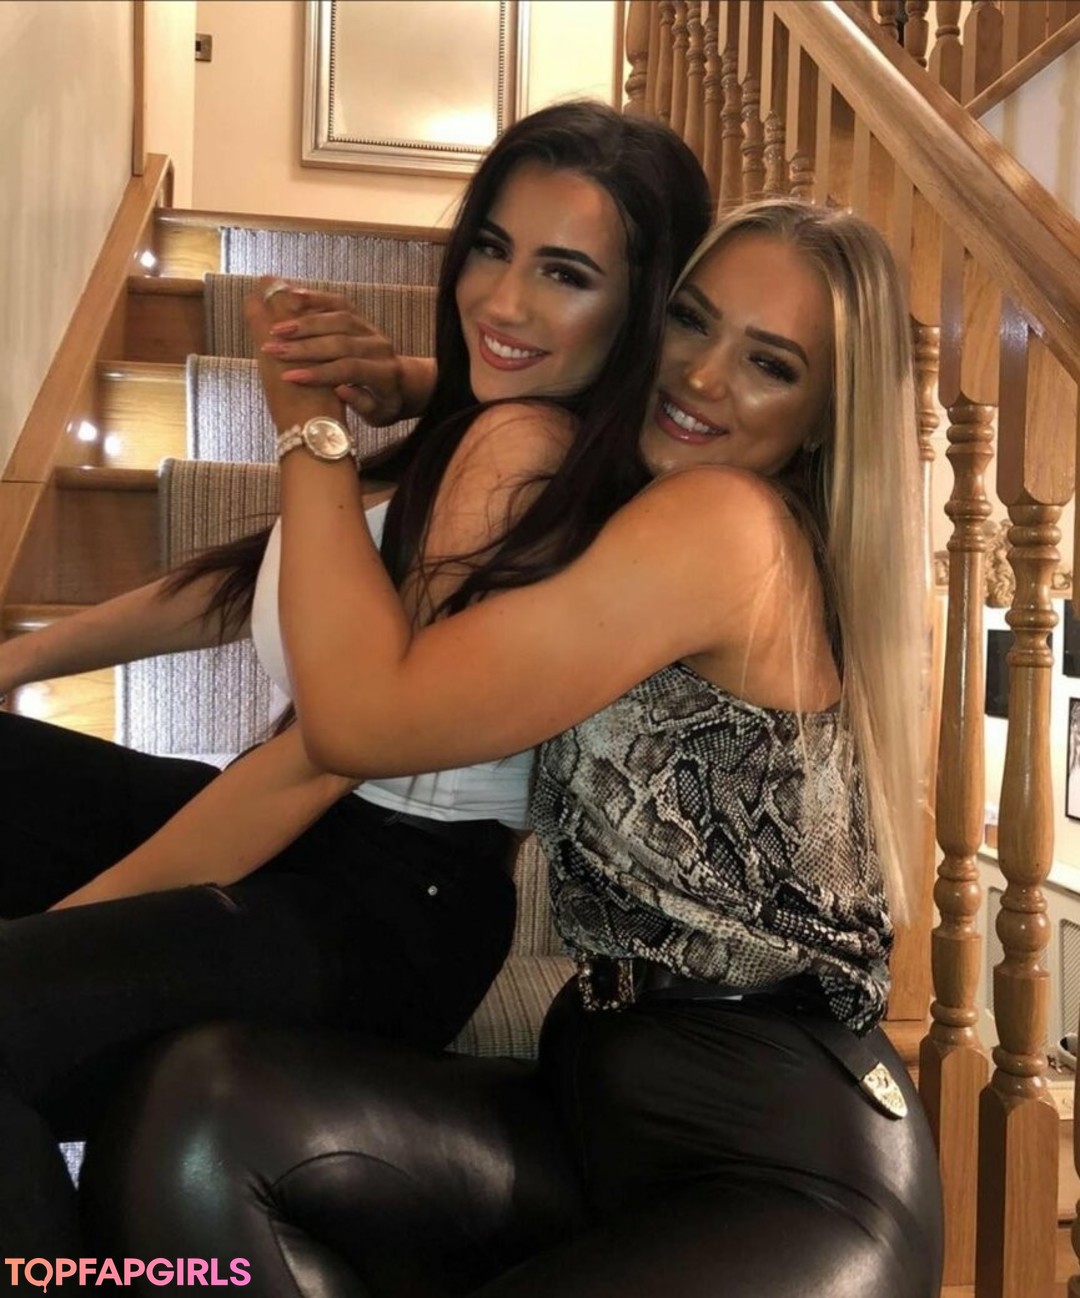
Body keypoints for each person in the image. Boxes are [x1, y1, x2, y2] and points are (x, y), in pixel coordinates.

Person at [82, 199, 944, 1297]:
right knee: (204, 1111)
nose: (701, 376)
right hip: (601, 1098)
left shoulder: (727, 526)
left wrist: (312, 430)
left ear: (825, 418)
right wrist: (418, 382)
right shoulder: (655, 503)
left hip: (781, 1162)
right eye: (691, 320)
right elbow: (583, 403)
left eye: (769, 364)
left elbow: (359, 720)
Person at [0, 100, 712, 1254]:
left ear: (641, 308)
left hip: (385, 904)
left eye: (566, 273)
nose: (502, 300)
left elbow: (331, 749)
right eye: (491, 247)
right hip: (321, 843)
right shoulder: (504, 422)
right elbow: (253, 583)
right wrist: (20, 657)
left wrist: (314, 436)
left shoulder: (520, 451)